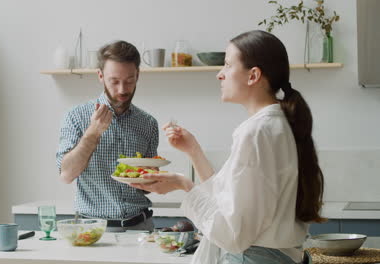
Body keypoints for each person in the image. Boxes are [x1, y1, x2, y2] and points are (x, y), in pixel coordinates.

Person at [130, 30, 324, 263]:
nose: (219, 75)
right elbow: (227, 200)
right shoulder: (277, 123)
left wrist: (184, 185)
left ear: (253, 75)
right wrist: (193, 150)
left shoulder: (255, 132)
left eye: (228, 65)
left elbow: (232, 235)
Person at [56, 40, 158, 232]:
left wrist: (153, 178)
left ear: (138, 75)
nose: (122, 89)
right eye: (114, 81)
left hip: (142, 227)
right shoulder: (76, 117)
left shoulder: (148, 123)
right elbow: (66, 175)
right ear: (100, 76)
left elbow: (147, 186)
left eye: (129, 80)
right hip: (93, 230)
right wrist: (92, 133)